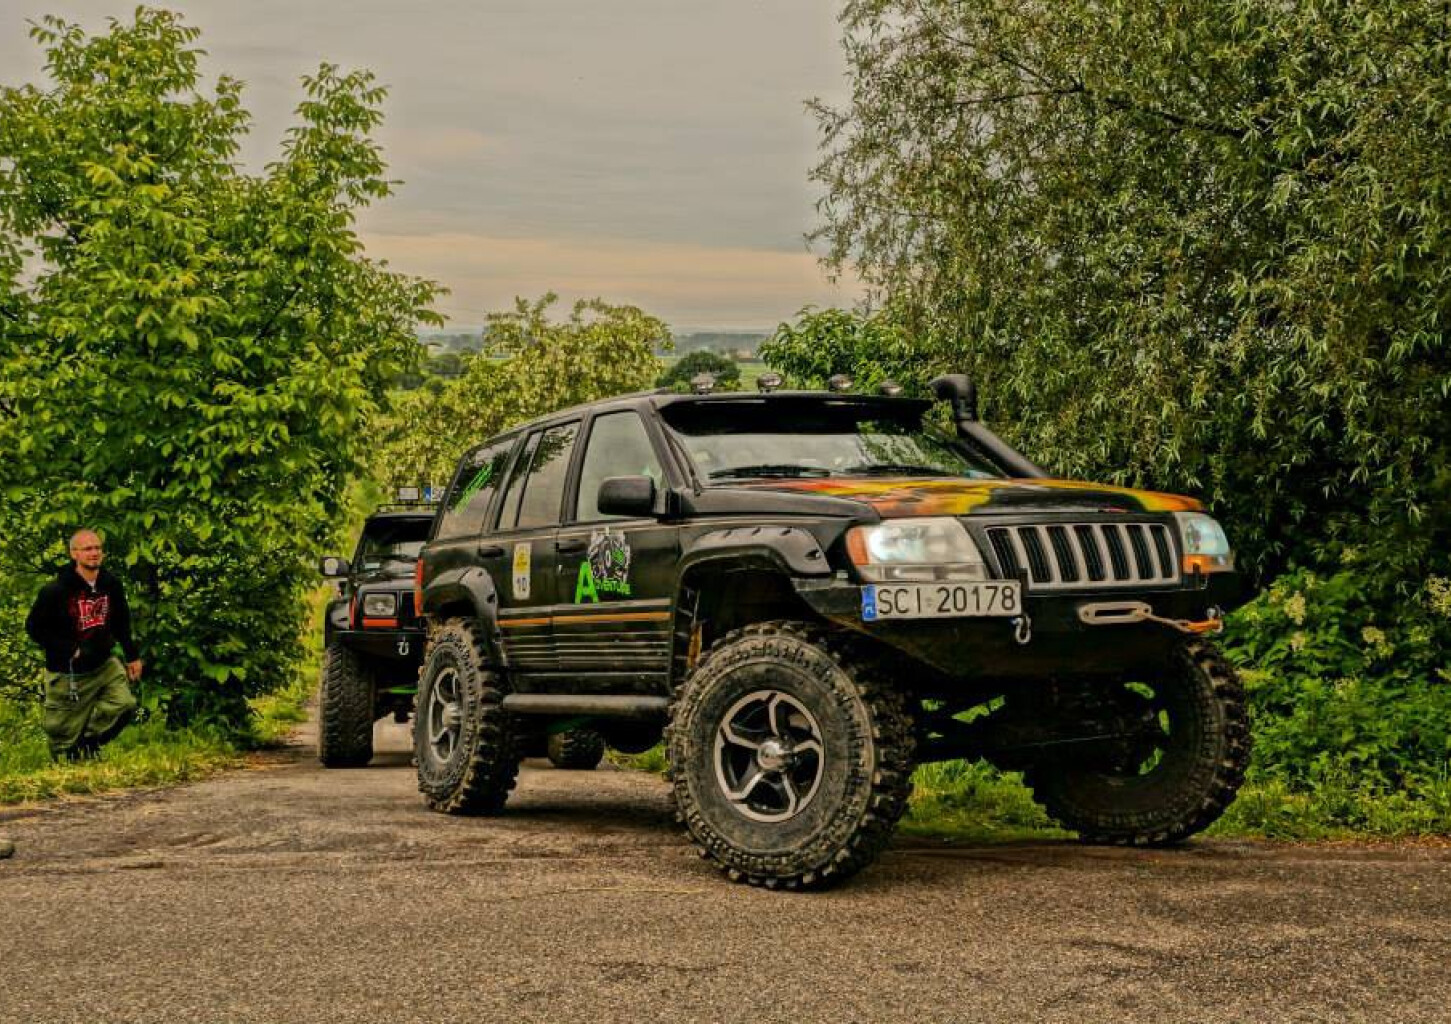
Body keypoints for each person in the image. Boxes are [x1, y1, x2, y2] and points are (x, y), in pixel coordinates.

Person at [24, 530, 142, 761]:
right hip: (68, 671)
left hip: (103, 664)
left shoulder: (111, 584)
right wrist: (69, 649)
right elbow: (34, 628)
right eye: (87, 549)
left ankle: (88, 743)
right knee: (62, 735)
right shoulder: (55, 591)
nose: (94, 553)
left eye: (97, 548)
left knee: (124, 705)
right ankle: (69, 756)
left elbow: (121, 622)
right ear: (74, 553)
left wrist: (132, 656)